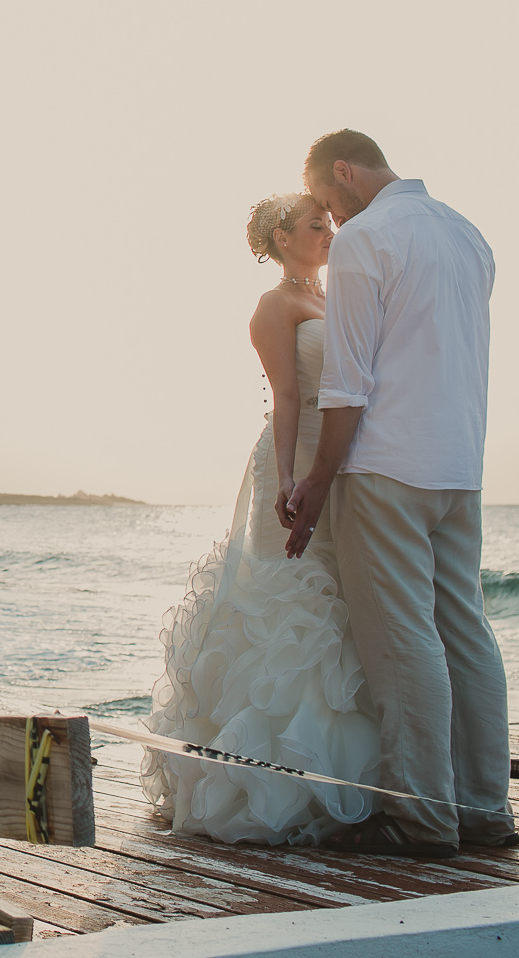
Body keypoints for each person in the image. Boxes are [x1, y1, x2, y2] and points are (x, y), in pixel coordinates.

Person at [285, 129, 516, 858]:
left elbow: (346, 384)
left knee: (402, 642)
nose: (333, 218)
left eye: (328, 200)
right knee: (465, 632)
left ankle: (419, 817)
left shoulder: (365, 241)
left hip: (385, 465)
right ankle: (484, 808)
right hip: (460, 464)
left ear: (345, 173)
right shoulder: (468, 234)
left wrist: (317, 485)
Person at [140, 190, 379, 844]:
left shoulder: (336, 298)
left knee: (338, 603)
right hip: (293, 464)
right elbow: (286, 396)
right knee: (290, 602)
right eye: (315, 224)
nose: (329, 231)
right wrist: (292, 476)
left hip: (343, 466)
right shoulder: (274, 306)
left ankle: (347, 775)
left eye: (330, 222)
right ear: (281, 238)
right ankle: (272, 782)